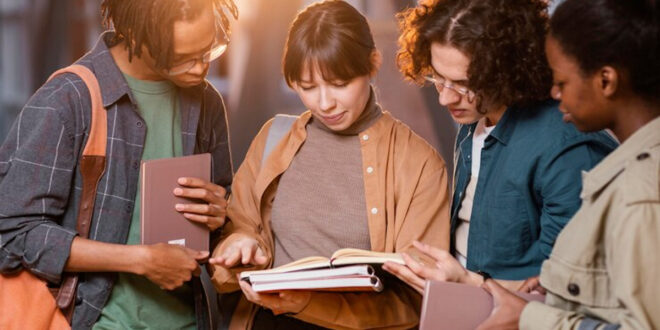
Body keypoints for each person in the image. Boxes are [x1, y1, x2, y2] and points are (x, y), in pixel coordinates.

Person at [208, 1, 451, 329]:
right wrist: (240, 244)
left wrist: (310, 304)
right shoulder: (273, 139)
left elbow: (418, 301)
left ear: (372, 64)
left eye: (339, 84)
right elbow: (239, 233)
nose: (325, 103)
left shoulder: (419, 165)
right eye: (307, 88)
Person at [0, 0, 237, 329]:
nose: (199, 69)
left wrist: (220, 216)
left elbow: (223, 218)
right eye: (181, 58)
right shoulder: (68, 99)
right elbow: (13, 234)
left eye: (209, 49)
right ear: (134, 35)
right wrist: (140, 261)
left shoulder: (206, 101)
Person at [383, 0, 617, 292]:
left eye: (463, 84)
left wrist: (468, 285)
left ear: (508, 70)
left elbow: (574, 290)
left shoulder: (567, 149)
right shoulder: (474, 119)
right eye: (438, 78)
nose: (445, 98)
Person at [477, 0, 660, 328]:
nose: (554, 93)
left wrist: (530, 318)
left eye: (561, 82)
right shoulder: (628, 170)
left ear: (605, 80)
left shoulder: (641, 191)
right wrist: (560, 289)